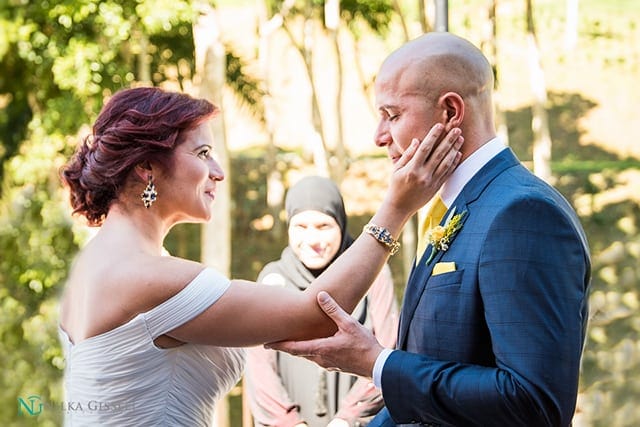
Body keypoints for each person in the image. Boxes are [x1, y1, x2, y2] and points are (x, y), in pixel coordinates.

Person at [57, 86, 463, 425]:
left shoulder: (93, 265)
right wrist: (397, 208)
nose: (218, 170)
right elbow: (316, 315)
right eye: (202, 154)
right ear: (147, 166)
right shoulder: (150, 277)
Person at [268, 32, 592, 427]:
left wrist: (376, 362)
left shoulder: (523, 213)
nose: (378, 135)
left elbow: (532, 402)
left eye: (392, 114)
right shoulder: (450, 205)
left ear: (451, 112)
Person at [245, 176, 399, 427]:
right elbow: (259, 367)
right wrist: (289, 422)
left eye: (323, 226)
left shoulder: (371, 273)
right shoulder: (273, 279)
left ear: (340, 223)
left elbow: (388, 347)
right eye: (301, 227)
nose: (312, 240)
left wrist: (347, 419)